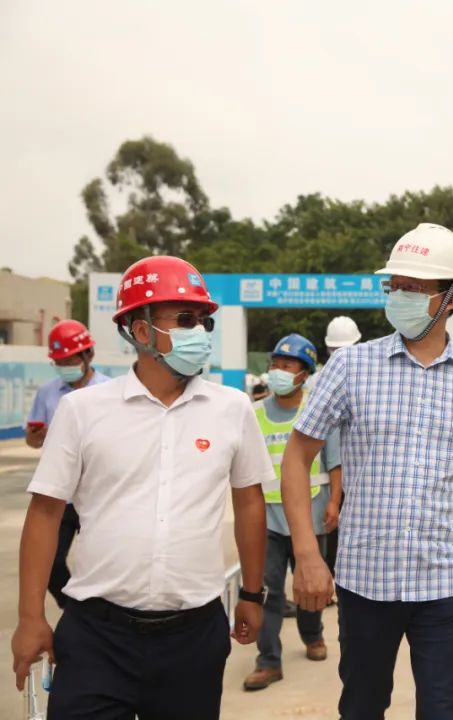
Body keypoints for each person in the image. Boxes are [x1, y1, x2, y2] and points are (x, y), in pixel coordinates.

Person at [11, 255, 272, 718]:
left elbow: (250, 503)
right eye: (185, 319)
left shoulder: (232, 409)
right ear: (140, 330)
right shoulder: (83, 411)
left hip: (193, 638)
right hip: (96, 637)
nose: (199, 332)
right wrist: (31, 617)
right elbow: (46, 513)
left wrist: (252, 594)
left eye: (204, 321)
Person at [280, 223, 453, 720]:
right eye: (395, 286)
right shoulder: (351, 367)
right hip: (367, 579)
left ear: (451, 299)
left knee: (446, 710)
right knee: (362, 707)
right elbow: (297, 457)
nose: (400, 297)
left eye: (415, 288)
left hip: (447, 579)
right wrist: (307, 554)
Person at [244, 333, 343, 691]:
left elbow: (334, 461)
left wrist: (334, 501)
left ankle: (312, 635)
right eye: (275, 364)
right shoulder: (254, 413)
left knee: (310, 584)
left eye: (287, 365)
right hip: (267, 519)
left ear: (304, 374)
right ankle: (268, 660)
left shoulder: (317, 410)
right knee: (268, 590)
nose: (279, 371)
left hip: (311, 513)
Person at [24, 320, 111, 610]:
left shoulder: (110, 392)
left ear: (88, 355)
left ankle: (99, 616)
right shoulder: (47, 393)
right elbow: (32, 442)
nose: (65, 366)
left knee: (101, 564)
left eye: (70, 360)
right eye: (59, 362)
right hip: (60, 495)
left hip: (99, 494)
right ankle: (77, 611)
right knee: (51, 563)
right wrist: (38, 436)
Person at [322, 315, 362, 579]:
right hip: (329, 481)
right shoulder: (318, 384)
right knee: (331, 541)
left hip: (360, 480)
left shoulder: (373, 382)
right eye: (335, 351)